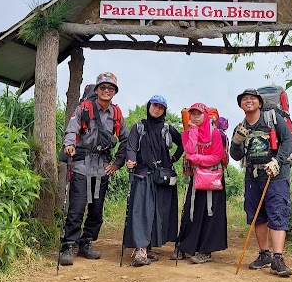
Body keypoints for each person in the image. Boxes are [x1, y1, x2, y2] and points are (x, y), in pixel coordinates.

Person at [58, 72, 128, 266]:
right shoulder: (84, 108)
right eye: (103, 87)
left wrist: (117, 163)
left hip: (102, 167)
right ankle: (68, 245)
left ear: (114, 92)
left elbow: (126, 139)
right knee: (76, 207)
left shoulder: (116, 114)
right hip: (81, 164)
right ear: (96, 90)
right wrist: (69, 144)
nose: (107, 91)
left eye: (111, 88)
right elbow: (72, 128)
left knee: (96, 210)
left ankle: (86, 242)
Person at [229, 88, 292, 277]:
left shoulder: (272, 118)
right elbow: (236, 156)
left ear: (259, 102)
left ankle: (278, 258)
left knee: (277, 213)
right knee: (257, 216)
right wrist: (236, 141)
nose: (248, 101)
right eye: (244, 99)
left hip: (276, 175)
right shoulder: (240, 127)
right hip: (252, 176)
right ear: (241, 105)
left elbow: (288, 141)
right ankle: (264, 254)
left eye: (252, 98)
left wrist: (277, 161)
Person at [123, 95, 184, 266]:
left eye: (161, 107)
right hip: (143, 174)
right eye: (154, 106)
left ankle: (149, 247)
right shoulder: (139, 127)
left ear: (164, 111)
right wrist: (131, 159)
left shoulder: (167, 128)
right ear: (149, 106)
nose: (157, 109)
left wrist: (174, 158)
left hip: (162, 177)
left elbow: (183, 143)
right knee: (142, 211)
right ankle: (140, 249)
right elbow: (131, 146)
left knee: (159, 212)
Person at [176, 102, 228, 264]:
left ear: (205, 115)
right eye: (193, 114)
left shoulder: (215, 134)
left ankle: (206, 251)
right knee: (192, 212)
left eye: (199, 114)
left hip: (214, 178)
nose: (196, 117)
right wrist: (193, 130)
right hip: (197, 177)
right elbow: (190, 150)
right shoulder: (186, 133)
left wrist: (197, 159)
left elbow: (217, 156)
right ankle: (186, 247)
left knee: (210, 213)